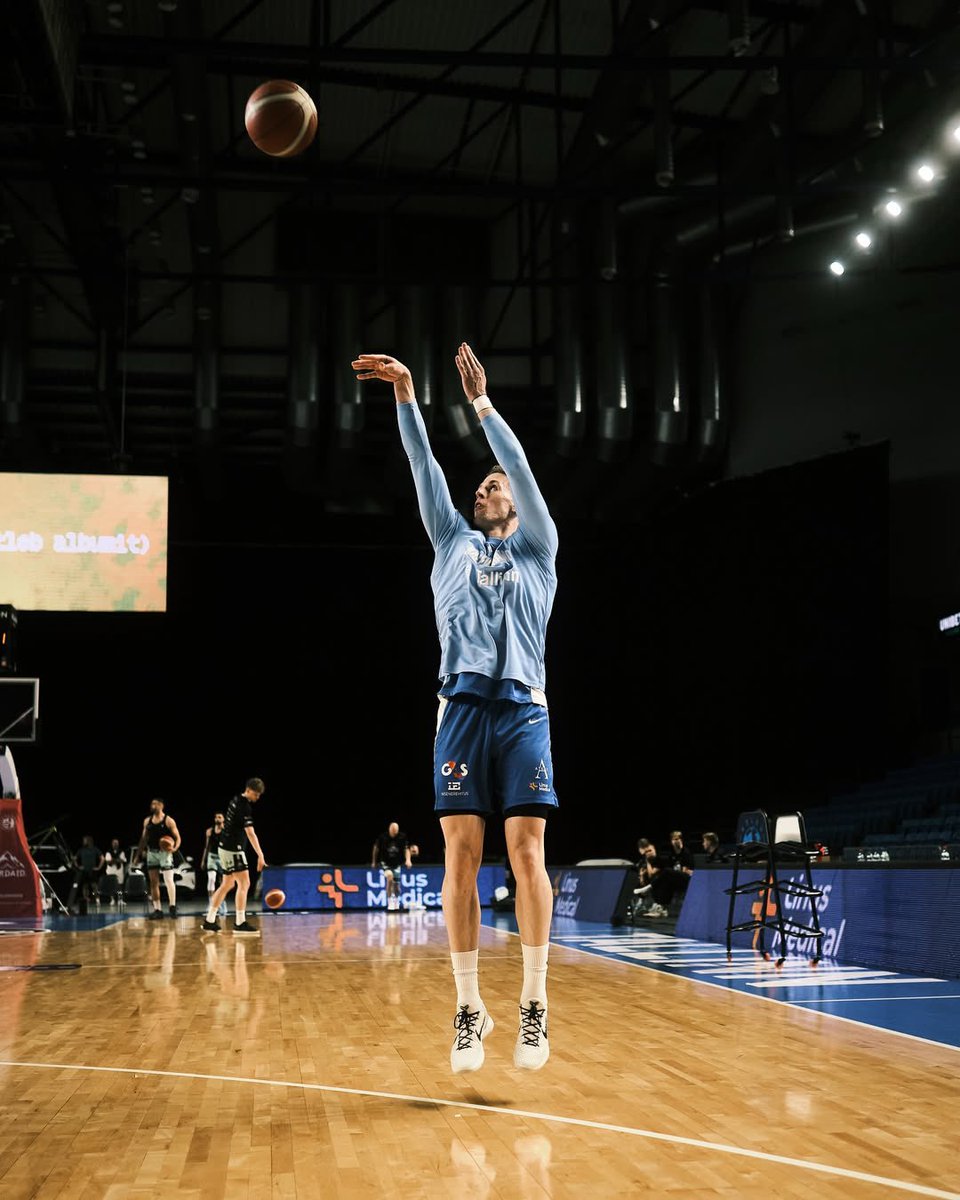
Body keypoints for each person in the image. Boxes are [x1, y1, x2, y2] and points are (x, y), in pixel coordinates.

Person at [353, 342, 559, 1074]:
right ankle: (471, 1007)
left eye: (493, 486)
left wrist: (480, 407)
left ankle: (534, 1002)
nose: (485, 491)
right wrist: (407, 395)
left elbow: (523, 471)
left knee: (527, 849)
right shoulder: (450, 543)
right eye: (481, 488)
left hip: (523, 708)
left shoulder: (539, 548)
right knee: (461, 857)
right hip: (461, 706)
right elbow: (424, 468)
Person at [201, 778, 266, 935]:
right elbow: (250, 833)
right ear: (249, 790)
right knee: (244, 883)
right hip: (233, 850)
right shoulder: (244, 806)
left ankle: (209, 920)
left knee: (227, 884)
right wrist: (260, 855)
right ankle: (239, 922)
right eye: (256, 794)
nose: (258, 798)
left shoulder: (235, 799)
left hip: (224, 848)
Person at [133, 798, 182, 919]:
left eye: (155, 804)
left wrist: (175, 848)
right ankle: (157, 909)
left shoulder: (168, 820)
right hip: (152, 853)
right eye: (152, 803)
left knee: (169, 880)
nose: (152, 805)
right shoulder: (147, 821)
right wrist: (138, 855)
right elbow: (143, 839)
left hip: (165, 854)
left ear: (161, 806)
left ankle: (172, 907)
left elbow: (178, 837)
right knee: (153, 882)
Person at [641, 830, 695, 918]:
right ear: (671, 841)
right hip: (676, 878)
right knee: (662, 881)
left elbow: (685, 871)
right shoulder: (672, 854)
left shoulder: (686, 852)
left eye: (677, 839)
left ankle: (649, 888)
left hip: (687, 879)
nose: (676, 841)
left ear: (681, 840)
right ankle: (661, 908)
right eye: (674, 839)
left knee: (665, 872)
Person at [372, 822, 412, 911]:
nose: (394, 832)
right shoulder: (383, 837)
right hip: (385, 862)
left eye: (396, 831)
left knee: (397, 886)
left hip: (397, 863)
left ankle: (396, 902)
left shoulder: (402, 837)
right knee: (389, 877)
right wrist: (374, 862)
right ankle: (390, 902)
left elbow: (406, 849)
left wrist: (408, 860)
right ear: (389, 829)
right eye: (393, 830)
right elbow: (376, 849)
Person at [67, 834, 104, 914]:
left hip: (92, 871)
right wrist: (78, 866)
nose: (83, 842)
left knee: (94, 886)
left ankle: (98, 901)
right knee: (85, 886)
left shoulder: (95, 849)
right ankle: (86, 901)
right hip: (84, 871)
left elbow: (102, 858)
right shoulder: (81, 850)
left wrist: (98, 867)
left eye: (85, 840)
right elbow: (75, 859)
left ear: (89, 841)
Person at [201, 812, 228, 918]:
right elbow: (206, 847)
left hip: (223, 857)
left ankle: (222, 905)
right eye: (216, 817)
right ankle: (211, 904)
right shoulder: (209, 831)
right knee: (211, 879)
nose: (217, 818)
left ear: (223, 819)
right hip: (212, 857)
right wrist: (203, 860)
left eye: (219, 817)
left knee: (223, 883)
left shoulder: (226, 831)